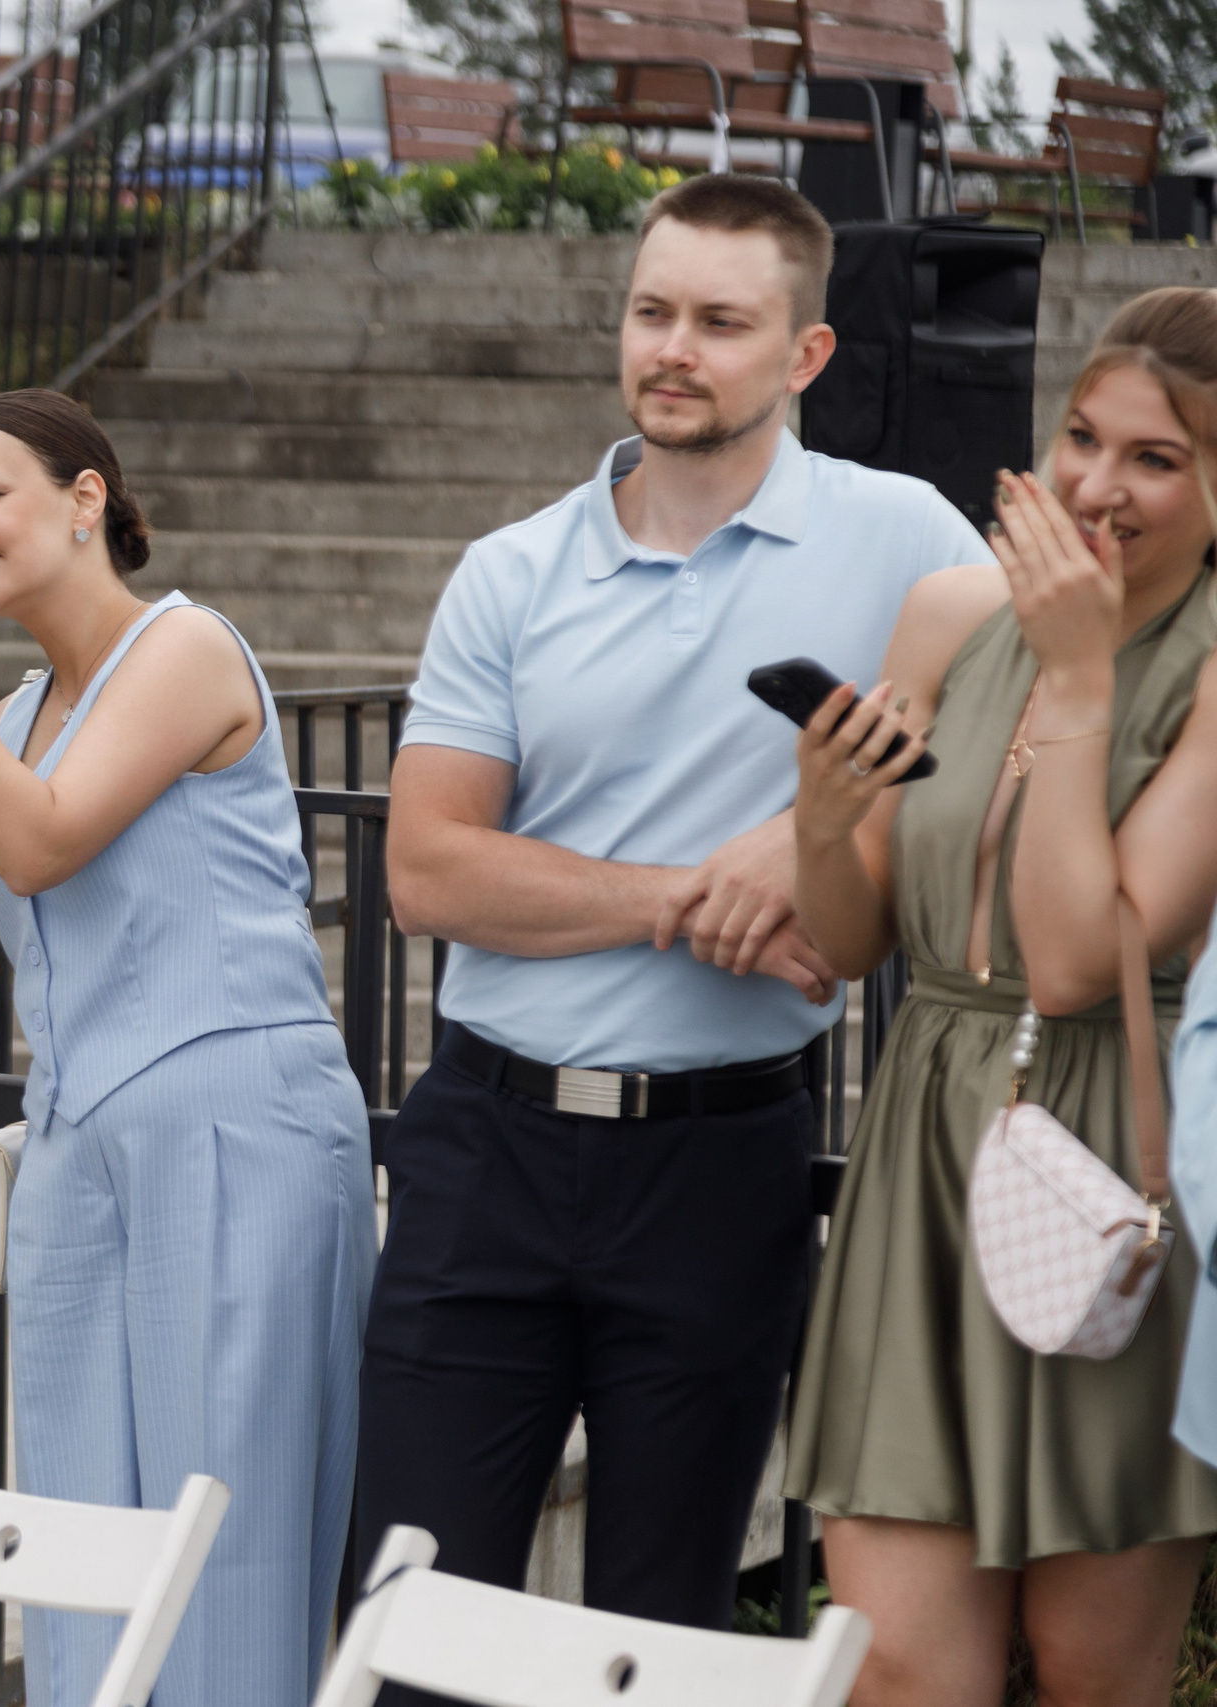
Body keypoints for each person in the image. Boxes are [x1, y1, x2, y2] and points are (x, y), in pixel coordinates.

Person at [368, 175, 991, 1657]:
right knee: (404, 1626)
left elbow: (1031, 679)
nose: (676, 348)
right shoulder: (510, 570)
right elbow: (428, 869)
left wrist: (803, 835)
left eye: (722, 322)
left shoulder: (903, 534)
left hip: (724, 1159)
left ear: (807, 357)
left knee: (666, 1634)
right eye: (655, 311)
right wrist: (678, 897)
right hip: (484, 1150)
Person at [0, 388, 373, 1707]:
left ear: (87, 498)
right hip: (78, 1143)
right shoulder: (18, 703)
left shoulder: (186, 649)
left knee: (223, 1540)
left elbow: (41, 838)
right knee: (74, 1546)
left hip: (237, 1122)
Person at [789, 287, 1217, 1707]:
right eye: (1083, 436)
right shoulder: (953, 612)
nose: (1097, 484)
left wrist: (1084, 674)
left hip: (1104, 1163)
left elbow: (1080, 960)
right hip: (925, 1147)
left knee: (1098, 1671)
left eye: (1156, 457)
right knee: (898, 1668)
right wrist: (819, 809)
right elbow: (851, 939)